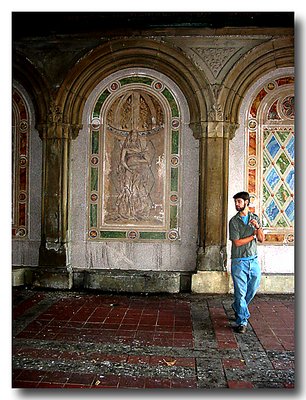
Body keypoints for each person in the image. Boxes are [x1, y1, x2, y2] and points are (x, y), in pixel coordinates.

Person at [229, 191, 265, 333]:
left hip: (253, 261)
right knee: (240, 292)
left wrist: (257, 228)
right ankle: (242, 321)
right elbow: (237, 243)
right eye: (236, 202)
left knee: (253, 287)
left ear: (246, 202)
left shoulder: (255, 218)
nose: (237, 204)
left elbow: (261, 239)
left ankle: (238, 306)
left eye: (239, 201)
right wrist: (252, 236)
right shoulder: (234, 221)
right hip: (239, 262)